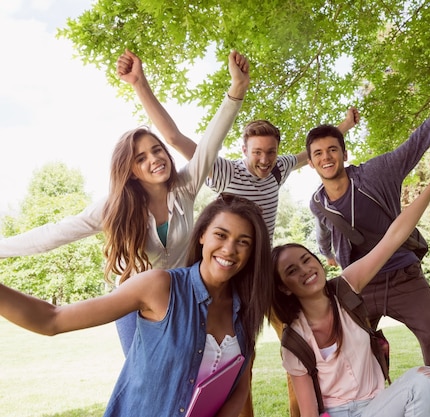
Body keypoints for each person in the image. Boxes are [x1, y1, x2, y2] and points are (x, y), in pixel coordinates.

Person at [0, 50, 251, 356]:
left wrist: (236, 89)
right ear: (130, 171)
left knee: (191, 377)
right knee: (144, 380)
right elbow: (53, 234)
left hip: (187, 298)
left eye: (157, 150)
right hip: (136, 304)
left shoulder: (184, 187)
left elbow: (211, 141)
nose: (155, 159)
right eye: (141, 158)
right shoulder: (115, 207)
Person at [306, 59, 430, 417]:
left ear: (343, 153)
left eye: (332, 150)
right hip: (360, 288)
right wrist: (328, 254)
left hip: (405, 278)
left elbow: (421, 138)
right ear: (312, 164)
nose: (326, 157)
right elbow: (323, 234)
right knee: (353, 355)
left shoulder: (378, 173)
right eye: (318, 154)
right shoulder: (317, 202)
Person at [0, 194, 273, 417]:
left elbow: (237, 385)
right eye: (221, 235)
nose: (229, 249)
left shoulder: (247, 307)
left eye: (243, 242)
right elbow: (52, 320)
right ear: (202, 235)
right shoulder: (159, 286)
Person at [117, 49, 359, 242]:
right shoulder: (226, 172)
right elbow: (174, 138)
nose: (265, 160)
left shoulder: (279, 169)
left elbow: (314, 151)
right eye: (257, 152)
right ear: (244, 151)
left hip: (261, 263)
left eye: (271, 152)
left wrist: (345, 126)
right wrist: (139, 83)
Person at [272, 156, 430, 417]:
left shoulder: (346, 287)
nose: (305, 270)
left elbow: (393, 237)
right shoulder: (294, 339)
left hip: (377, 407)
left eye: (306, 260)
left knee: (424, 380)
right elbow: (309, 412)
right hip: (336, 413)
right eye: (292, 271)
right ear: (285, 288)